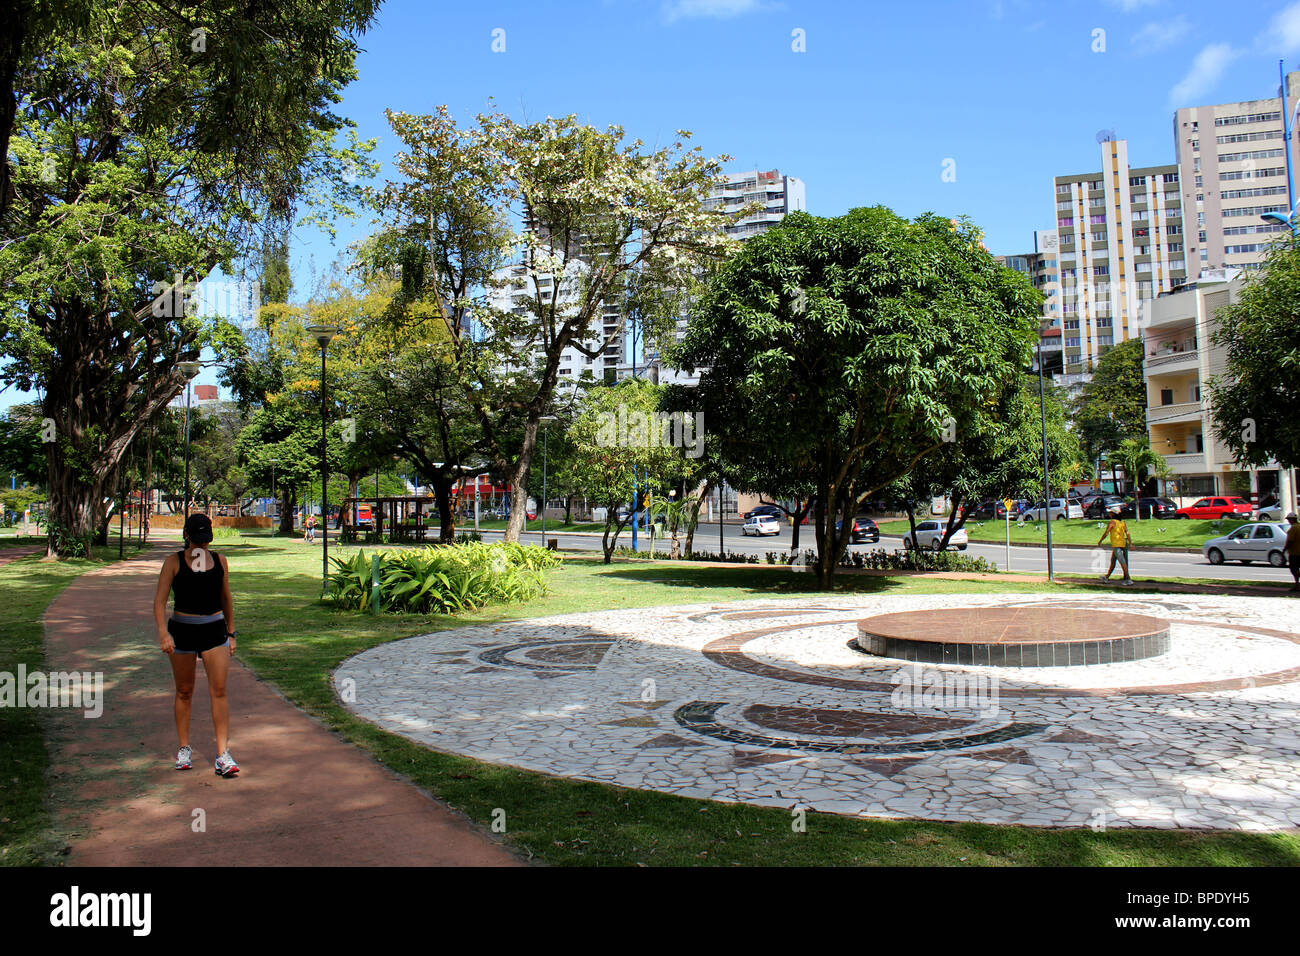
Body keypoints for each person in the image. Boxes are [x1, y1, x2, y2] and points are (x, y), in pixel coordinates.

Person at [153, 513, 239, 777]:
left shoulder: (220, 561)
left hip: (214, 630)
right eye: (197, 541)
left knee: (220, 690)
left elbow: (226, 598)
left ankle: (223, 754)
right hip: (182, 631)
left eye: (205, 542)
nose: (201, 547)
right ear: (187, 537)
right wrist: (163, 634)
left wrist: (232, 632)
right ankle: (183, 748)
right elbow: (159, 602)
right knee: (184, 691)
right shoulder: (173, 562)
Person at [1098, 514, 1133, 585]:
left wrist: (1100, 541)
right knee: (1113, 561)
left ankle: (1128, 579)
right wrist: (1130, 543)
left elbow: (1106, 532)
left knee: (1122, 562)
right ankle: (1107, 577)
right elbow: (1127, 533)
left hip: (1117, 544)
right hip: (1124, 543)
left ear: (1114, 514)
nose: (1109, 514)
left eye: (1111, 513)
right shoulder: (1122, 522)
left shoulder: (1112, 522)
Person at [1285, 512, 1300, 592]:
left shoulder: (1293, 528)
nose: (1288, 521)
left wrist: (1285, 549)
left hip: (1295, 553)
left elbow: (1290, 541)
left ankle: (1297, 584)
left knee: (1294, 569)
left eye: (1288, 519)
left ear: (1291, 520)